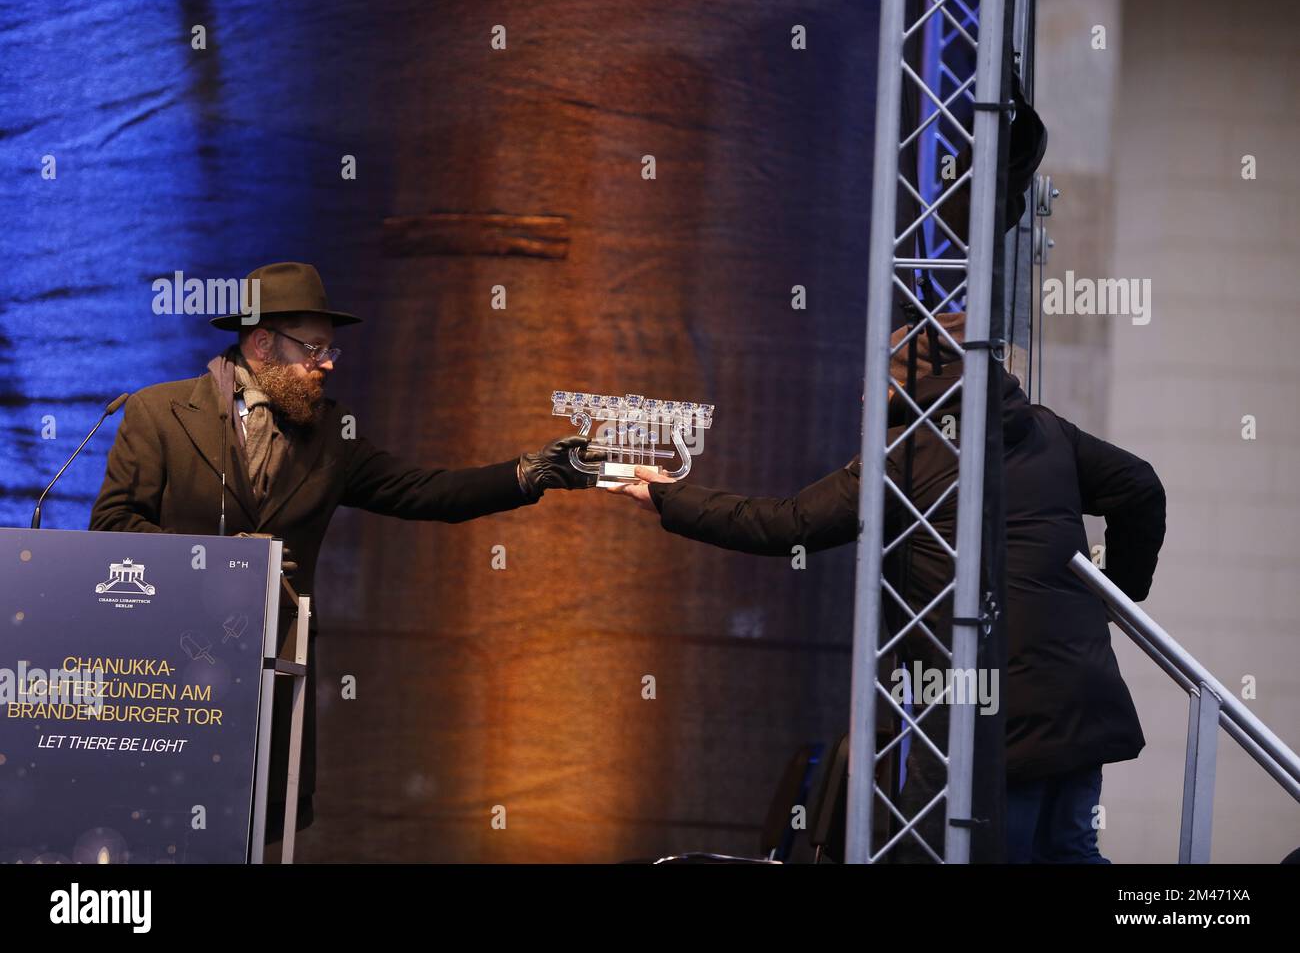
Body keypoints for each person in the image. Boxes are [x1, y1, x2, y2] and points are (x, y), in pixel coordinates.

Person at [606, 311, 1166, 862]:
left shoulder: (909, 456)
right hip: (1076, 693)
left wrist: (663, 495)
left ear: (911, 379)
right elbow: (1139, 485)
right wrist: (1117, 592)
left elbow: (785, 523)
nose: (868, 394)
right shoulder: (1046, 430)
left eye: (882, 376)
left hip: (993, 714)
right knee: (1071, 852)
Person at [89, 260, 594, 842]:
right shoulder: (159, 413)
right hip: (164, 676)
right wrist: (222, 560)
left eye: (331, 351)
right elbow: (112, 528)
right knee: (157, 827)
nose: (327, 364)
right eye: (313, 348)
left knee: (254, 835)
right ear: (261, 343)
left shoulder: (334, 434)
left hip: (273, 670)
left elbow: (426, 491)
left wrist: (530, 474)